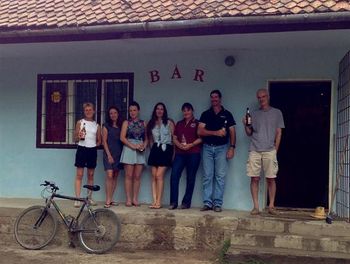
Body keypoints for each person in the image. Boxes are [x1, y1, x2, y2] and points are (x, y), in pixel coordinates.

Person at [243, 88, 284, 215]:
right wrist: (245, 124)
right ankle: (256, 207)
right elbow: (249, 133)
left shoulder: (277, 113)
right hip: (255, 149)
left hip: (270, 150)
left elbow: (279, 133)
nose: (261, 99)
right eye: (259, 97)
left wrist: (275, 150)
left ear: (268, 97)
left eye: (263, 96)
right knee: (254, 178)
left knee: (271, 178)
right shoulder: (253, 114)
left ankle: (271, 206)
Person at [198, 90, 236, 212]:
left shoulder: (227, 114)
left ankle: (218, 204)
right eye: (212, 97)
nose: (214, 99)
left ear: (220, 99)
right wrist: (216, 132)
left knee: (220, 177)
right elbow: (200, 131)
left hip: (222, 148)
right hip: (207, 147)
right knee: (208, 176)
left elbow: (232, 132)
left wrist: (232, 147)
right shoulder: (206, 114)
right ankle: (207, 203)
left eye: (216, 97)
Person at [169, 103, 202, 210]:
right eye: (184, 110)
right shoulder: (179, 123)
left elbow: (201, 138)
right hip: (180, 154)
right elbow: (174, 138)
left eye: (188, 110)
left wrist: (190, 145)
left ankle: (186, 203)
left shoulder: (197, 123)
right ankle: (173, 202)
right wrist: (180, 146)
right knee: (174, 176)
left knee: (190, 178)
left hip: (193, 153)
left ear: (192, 111)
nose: (186, 112)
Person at [147, 102, 175, 209]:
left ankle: (159, 201)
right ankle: (154, 201)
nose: (159, 111)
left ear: (164, 111)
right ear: (155, 110)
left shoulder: (169, 122)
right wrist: (152, 149)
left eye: (161, 109)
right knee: (153, 176)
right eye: (157, 109)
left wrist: (173, 154)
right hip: (155, 149)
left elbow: (173, 139)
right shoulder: (151, 123)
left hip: (166, 149)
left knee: (159, 175)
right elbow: (150, 139)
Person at [74, 102, 101, 207]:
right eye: (86, 110)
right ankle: (77, 199)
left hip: (92, 150)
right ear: (84, 111)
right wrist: (79, 136)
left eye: (90, 110)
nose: (88, 112)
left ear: (93, 111)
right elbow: (75, 138)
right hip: (81, 149)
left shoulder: (97, 125)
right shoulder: (80, 122)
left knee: (90, 175)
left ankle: (89, 198)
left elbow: (99, 140)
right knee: (79, 175)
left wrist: (95, 145)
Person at [120, 101, 147, 207]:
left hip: (140, 150)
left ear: (138, 111)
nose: (132, 112)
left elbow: (146, 138)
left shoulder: (143, 123)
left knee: (137, 176)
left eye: (134, 110)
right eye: (130, 110)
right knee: (128, 175)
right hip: (129, 148)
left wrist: (143, 145)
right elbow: (122, 137)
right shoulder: (126, 123)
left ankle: (135, 199)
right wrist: (132, 146)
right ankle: (128, 199)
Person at [102, 106, 123, 208]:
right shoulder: (106, 126)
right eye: (111, 113)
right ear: (109, 115)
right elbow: (104, 141)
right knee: (109, 175)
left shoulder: (121, 126)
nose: (113, 115)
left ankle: (111, 198)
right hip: (108, 153)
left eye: (115, 113)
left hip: (119, 153)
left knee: (115, 176)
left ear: (118, 114)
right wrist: (109, 155)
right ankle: (108, 199)